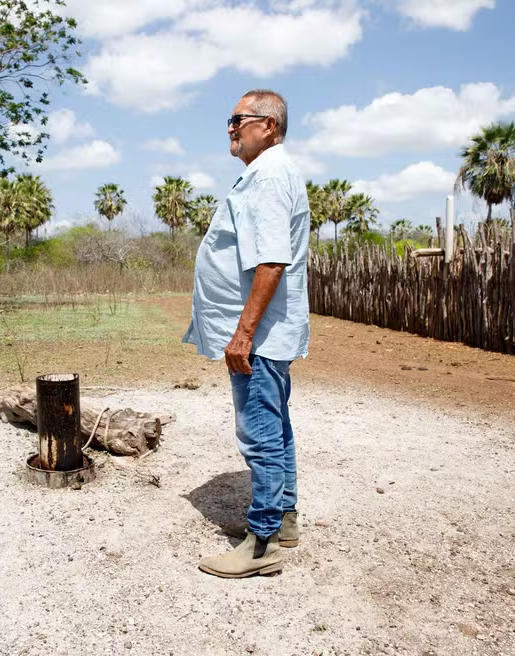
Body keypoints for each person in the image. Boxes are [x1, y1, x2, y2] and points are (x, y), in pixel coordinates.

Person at [183, 89, 310, 578]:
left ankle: (261, 546)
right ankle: (284, 521)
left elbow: (272, 259)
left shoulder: (271, 175)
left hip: (260, 335)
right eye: (230, 120)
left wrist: (243, 334)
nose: (231, 128)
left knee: (258, 434)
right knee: (275, 428)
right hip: (266, 332)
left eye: (239, 119)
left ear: (269, 127)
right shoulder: (264, 173)